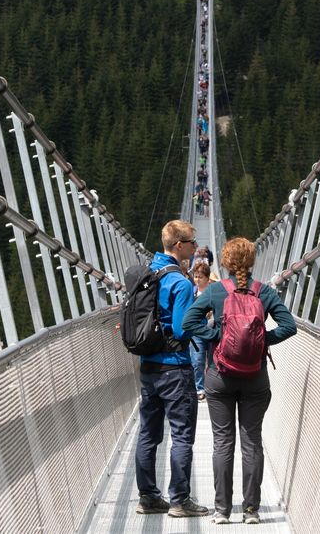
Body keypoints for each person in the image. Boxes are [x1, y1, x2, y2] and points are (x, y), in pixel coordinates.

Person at [183, 237, 296, 525]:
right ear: (252, 262)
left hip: (220, 376)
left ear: (226, 263)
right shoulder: (264, 292)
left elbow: (188, 323)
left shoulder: (216, 291)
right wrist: (261, 343)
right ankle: (251, 511)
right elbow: (289, 327)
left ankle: (222, 511)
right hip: (255, 377)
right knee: (251, 442)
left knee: (222, 443)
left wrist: (217, 338)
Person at [134, 220, 210, 518]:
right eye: (193, 243)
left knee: (148, 434)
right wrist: (202, 326)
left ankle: (148, 497)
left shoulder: (147, 272)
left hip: (148, 367)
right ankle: (179, 499)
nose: (197, 249)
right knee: (181, 435)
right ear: (179, 245)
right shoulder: (180, 282)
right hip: (175, 369)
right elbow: (180, 330)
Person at [188, 261, 214, 401]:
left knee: (212, 360)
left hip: (212, 331)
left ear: (207, 278)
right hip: (196, 332)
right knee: (197, 361)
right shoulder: (190, 291)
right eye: (196, 276)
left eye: (200, 277)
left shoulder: (214, 291)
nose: (197, 280)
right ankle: (200, 388)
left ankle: (210, 387)